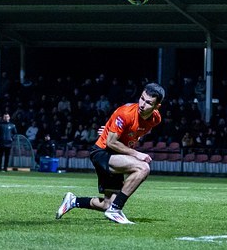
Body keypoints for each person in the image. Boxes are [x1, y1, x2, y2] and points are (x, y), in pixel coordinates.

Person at [56, 82, 165, 225]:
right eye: (142, 98)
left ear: (157, 106)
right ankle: (116, 209)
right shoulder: (126, 113)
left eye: (148, 103)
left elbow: (134, 132)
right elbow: (111, 142)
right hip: (102, 152)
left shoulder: (156, 119)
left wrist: (112, 130)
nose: (142, 104)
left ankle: (73, 201)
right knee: (143, 168)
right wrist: (136, 153)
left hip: (116, 154)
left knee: (107, 204)